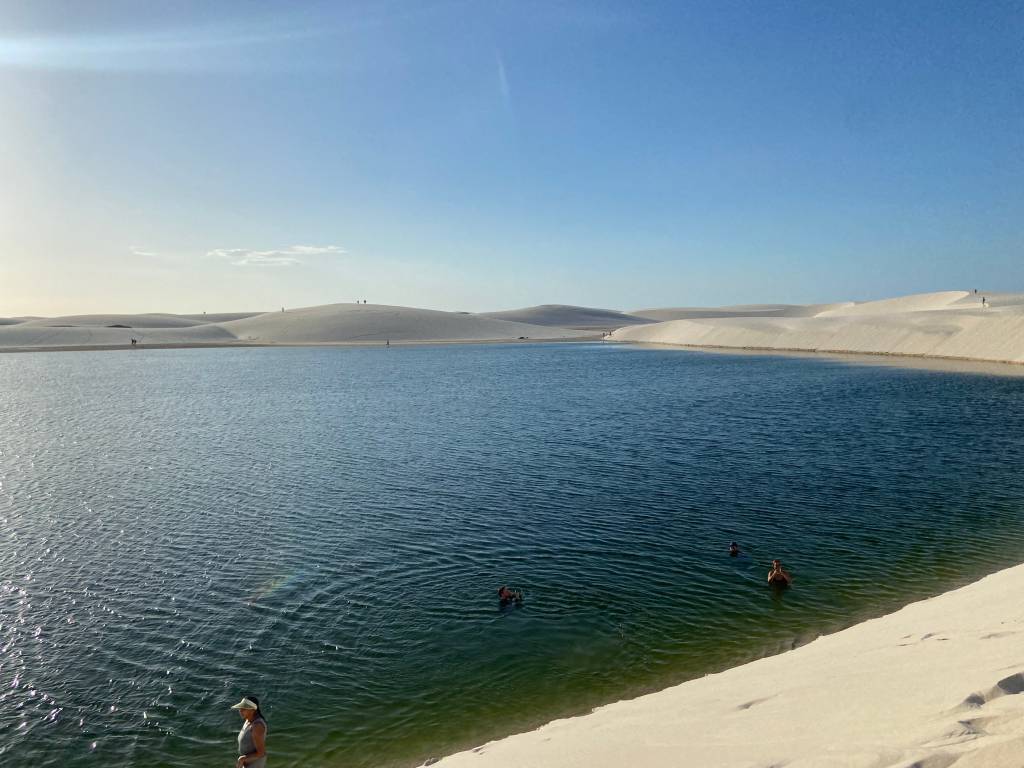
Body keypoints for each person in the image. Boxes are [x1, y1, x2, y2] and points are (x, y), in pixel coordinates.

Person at [231, 695, 267, 768]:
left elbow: (261, 753)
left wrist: (242, 759)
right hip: (248, 762)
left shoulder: (257, 726)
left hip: (255, 764)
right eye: (240, 708)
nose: (240, 711)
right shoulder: (248, 720)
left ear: (253, 710)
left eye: (244, 709)